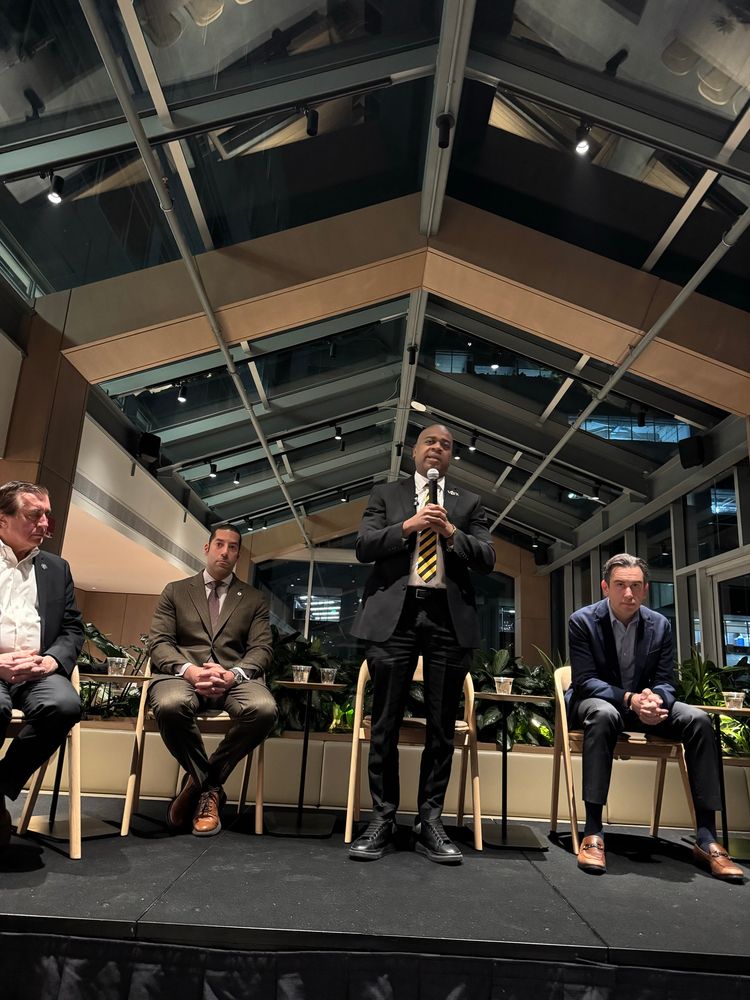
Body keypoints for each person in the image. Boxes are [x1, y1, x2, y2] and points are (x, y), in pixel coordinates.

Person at [349, 424, 495, 864]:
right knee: (385, 724)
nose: (437, 448)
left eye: (446, 445)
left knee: (440, 728)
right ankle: (383, 818)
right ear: (415, 450)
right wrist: (409, 525)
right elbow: (363, 546)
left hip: (448, 621)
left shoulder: (468, 504)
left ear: (451, 457)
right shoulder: (386, 495)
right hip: (396, 617)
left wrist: (452, 533)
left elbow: (487, 558)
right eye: (430, 441)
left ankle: (430, 822)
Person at [568, 553, 744, 882]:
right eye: (620, 585)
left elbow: (666, 679)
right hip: (596, 703)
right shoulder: (582, 620)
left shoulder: (659, 624)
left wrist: (657, 700)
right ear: (606, 587)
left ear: (646, 590)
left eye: (636, 586)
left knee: (698, 719)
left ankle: (707, 838)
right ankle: (592, 832)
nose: (628, 594)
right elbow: (585, 681)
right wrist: (631, 699)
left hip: (644, 706)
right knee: (604, 714)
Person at [148, 525, 277, 837]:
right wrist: (190, 671)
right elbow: (160, 642)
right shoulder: (175, 591)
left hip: (234, 678)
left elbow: (262, 647)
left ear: (238, 554)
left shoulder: (254, 598)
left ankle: (198, 783)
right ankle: (211, 789)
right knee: (169, 704)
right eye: (220, 544)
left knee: (264, 710)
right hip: (183, 675)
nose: (225, 552)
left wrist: (233, 675)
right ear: (206, 548)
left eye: (233, 547)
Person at [0, 481, 83, 848]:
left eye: (48, 514)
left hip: (38, 672)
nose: (46, 523)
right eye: (35, 515)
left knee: (64, 706)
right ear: (3, 519)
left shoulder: (56, 567)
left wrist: (50, 661)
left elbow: (71, 629)